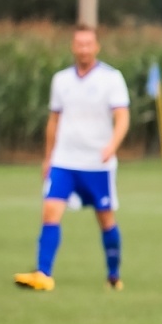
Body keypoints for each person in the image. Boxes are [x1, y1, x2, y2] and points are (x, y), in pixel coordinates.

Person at [14, 26, 131, 292]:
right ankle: (43, 274)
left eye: (88, 44)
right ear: (72, 47)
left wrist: (112, 144)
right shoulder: (61, 80)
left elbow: (122, 116)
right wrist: (48, 157)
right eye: (79, 44)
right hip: (64, 161)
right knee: (50, 212)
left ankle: (113, 275)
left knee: (106, 219)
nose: (84, 49)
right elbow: (54, 120)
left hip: (97, 164)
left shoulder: (111, 78)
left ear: (97, 46)